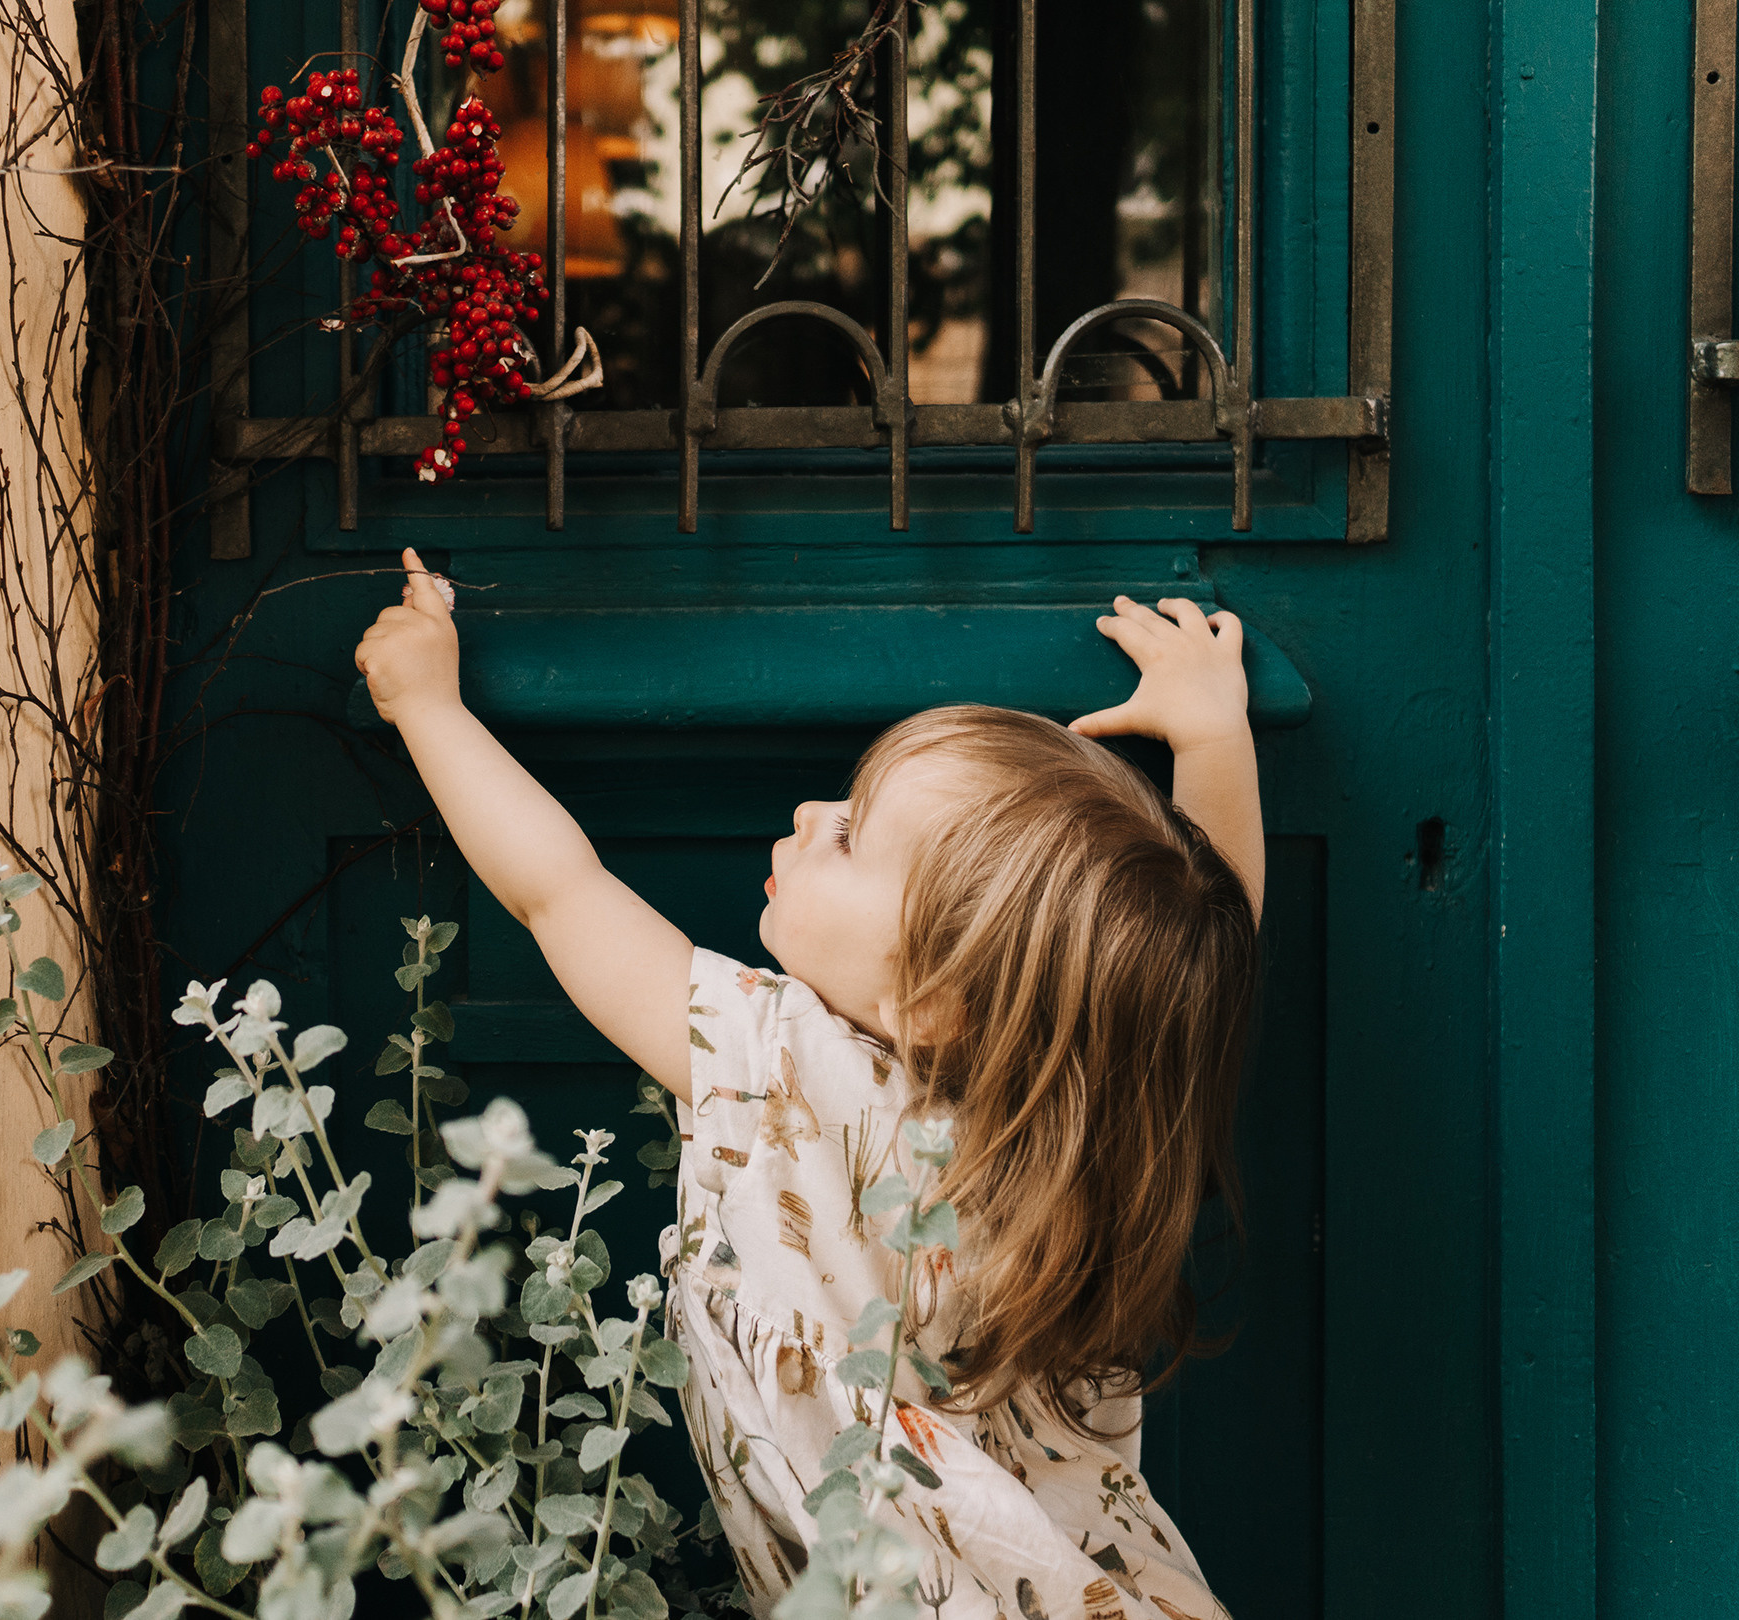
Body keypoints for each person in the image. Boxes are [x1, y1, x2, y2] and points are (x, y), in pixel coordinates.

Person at [354, 547, 1261, 1620]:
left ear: (934, 1001)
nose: (807, 810)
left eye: (848, 835)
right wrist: (1213, 736)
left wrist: (427, 707)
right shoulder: (1106, 1116)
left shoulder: (779, 1068)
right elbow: (1204, 944)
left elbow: (556, 889)